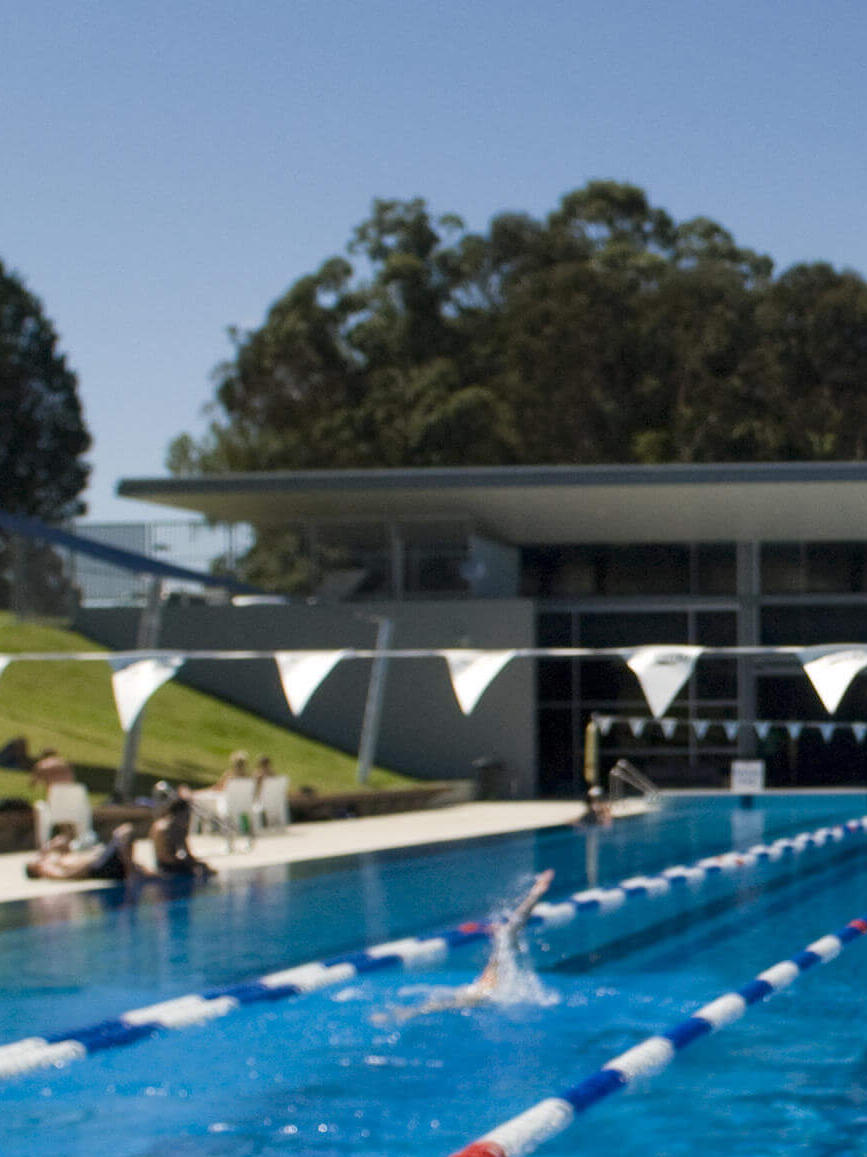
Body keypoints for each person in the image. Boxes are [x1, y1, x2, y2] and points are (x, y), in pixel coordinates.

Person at [383, 869, 554, 1022]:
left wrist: (536, 893)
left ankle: (404, 1014)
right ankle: (405, 1013)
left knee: (435, 1006)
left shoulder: (504, 948)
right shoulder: (505, 955)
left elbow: (517, 921)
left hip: (482, 995)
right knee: (436, 1002)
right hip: (479, 991)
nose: (494, 929)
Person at [24, 823, 153, 882]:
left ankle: (135, 871)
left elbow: (62, 840)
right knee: (125, 831)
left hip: (100, 863)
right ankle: (132, 873)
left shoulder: (57, 856)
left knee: (123, 840)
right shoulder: (46, 866)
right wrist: (87, 870)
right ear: (34, 868)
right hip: (96, 867)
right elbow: (65, 875)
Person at [149, 794, 216, 879]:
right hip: (171, 867)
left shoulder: (158, 823)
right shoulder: (174, 827)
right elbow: (187, 854)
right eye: (187, 815)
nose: (188, 819)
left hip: (159, 865)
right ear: (181, 813)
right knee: (204, 871)